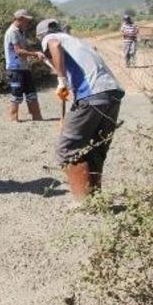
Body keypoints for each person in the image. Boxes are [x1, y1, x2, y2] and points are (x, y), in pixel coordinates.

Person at [37, 18, 125, 200]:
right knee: (95, 149)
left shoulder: (50, 38)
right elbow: (72, 62)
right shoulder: (77, 41)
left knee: (67, 149)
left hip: (92, 95)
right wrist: (48, 61)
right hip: (112, 93)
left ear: (41, 36)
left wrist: (61, 80)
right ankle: (95, 198)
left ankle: (83, 202)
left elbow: (54, 45)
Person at [3, 9, 45, 121]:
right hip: (15, 68)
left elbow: (24, 49)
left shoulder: (21, 31)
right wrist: (35, 54)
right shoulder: (12, 32)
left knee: (31, 93)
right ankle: (13, 118)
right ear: (19, 19)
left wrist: (34, 53)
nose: (28, 23)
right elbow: (18, 51)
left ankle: (37, 116)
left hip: (24, 67)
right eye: (26, 20)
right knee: (16, 94)